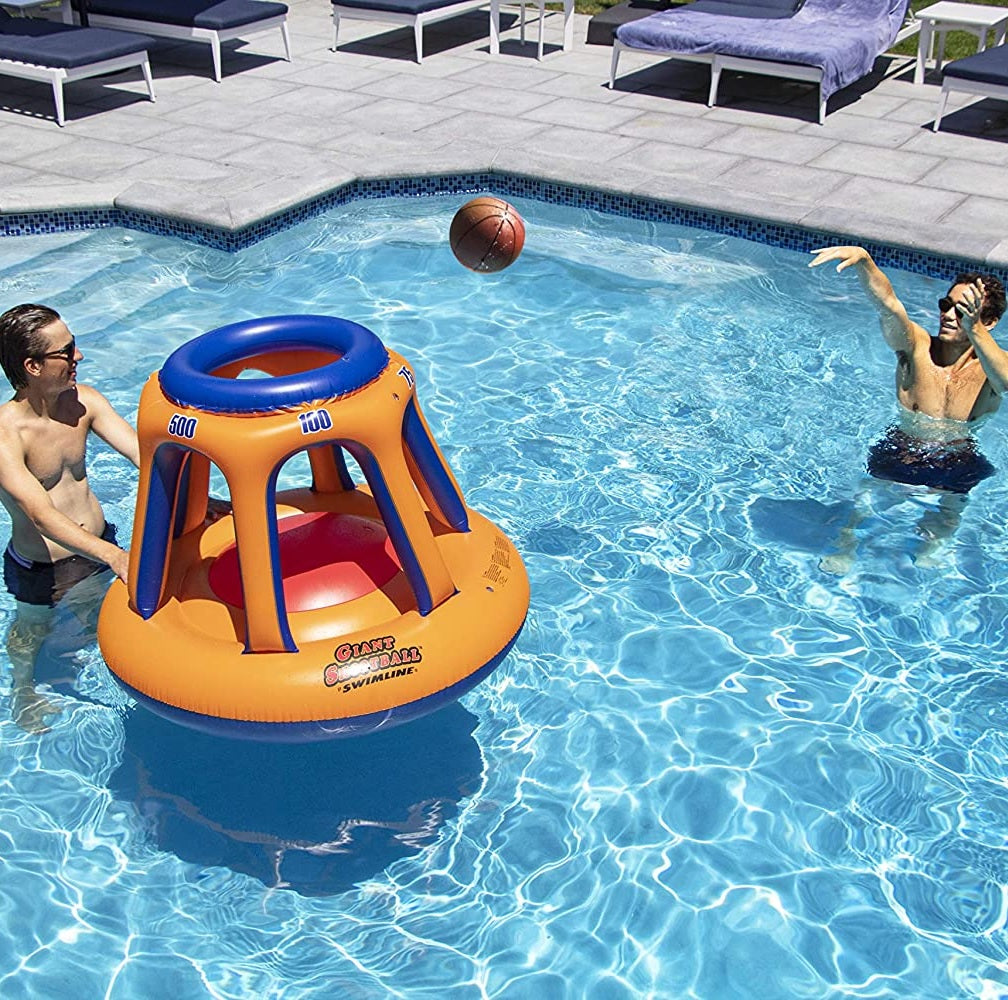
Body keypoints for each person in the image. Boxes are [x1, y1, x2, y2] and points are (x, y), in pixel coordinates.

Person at [808, 246, 1007, 569]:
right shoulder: (916, 347)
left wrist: (976, 331)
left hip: (958, 456)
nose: (949, 314)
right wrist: (865, 261)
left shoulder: (992, 368)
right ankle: (846, 543)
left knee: (953, 506)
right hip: (903, 448)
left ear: (990, 321)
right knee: (866, 501)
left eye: (964, 310)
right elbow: (889, 307)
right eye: (947, 305)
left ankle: (936, 544)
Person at [0, 303, 139, 732]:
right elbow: (40, 515)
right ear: (34, 366)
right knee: (32, 630)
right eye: (68, 350)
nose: (79, 356)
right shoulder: (6, 435)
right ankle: (24, 691)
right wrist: (116, 558)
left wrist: (200, 499)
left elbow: (145, 457)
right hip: (44, 571)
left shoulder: (85, 403)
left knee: (102, 622)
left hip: (100, 546)